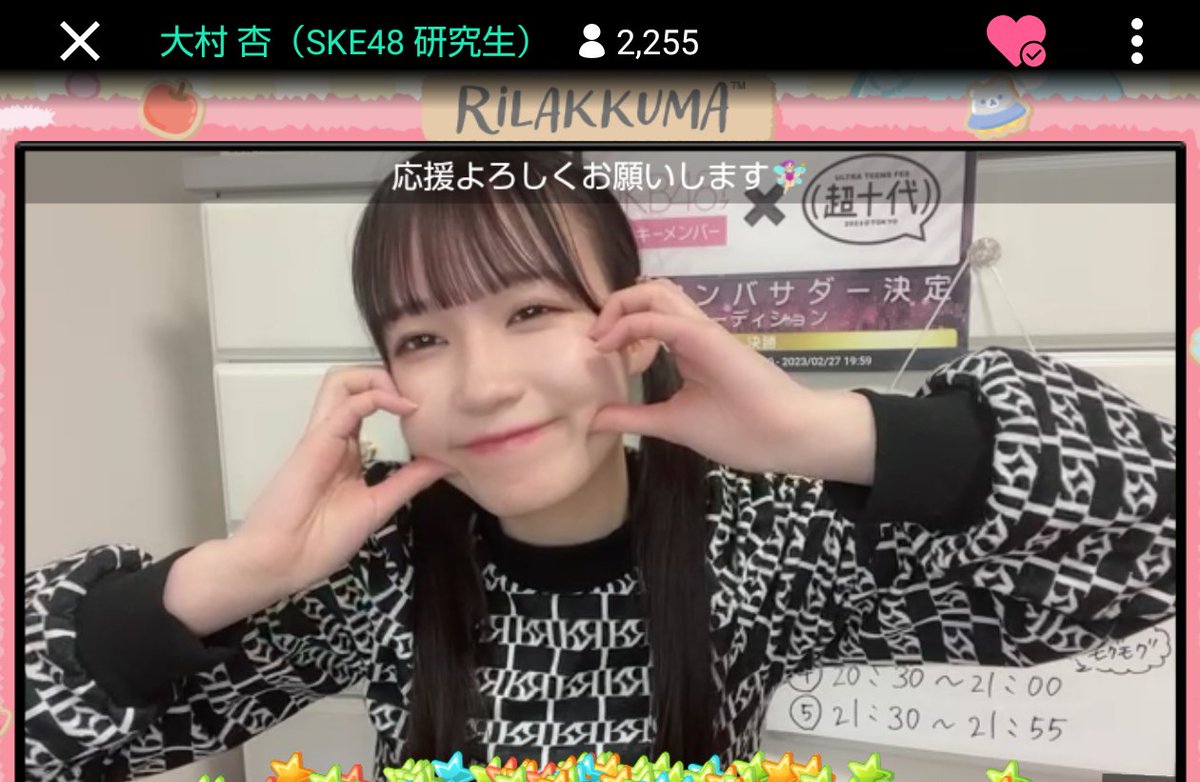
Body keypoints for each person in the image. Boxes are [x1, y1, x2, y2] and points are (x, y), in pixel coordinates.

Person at [25, 150, 1177, 782]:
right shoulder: (374, 576)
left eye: (530, 309)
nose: (482, 383)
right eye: (421, 337)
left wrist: (824, 434)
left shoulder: (763, 538)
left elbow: (1146, 544)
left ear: (628, 325)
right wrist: (237, 571)